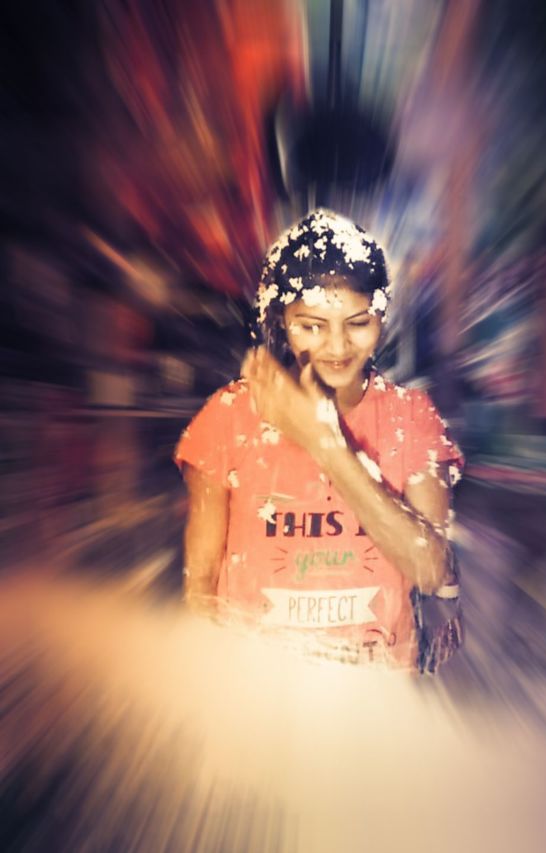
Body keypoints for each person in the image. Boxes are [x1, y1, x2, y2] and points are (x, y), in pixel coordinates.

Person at [175, 209, 463, 668]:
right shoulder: (229, 417)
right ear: (280, 322)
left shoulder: (410, 417)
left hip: (378, 692)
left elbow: (431, 569)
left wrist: (324, 441)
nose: (337, 347)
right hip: (254, 688)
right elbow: (201, 586)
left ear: (381, 316)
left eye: (358, 322)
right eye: (312, 326)